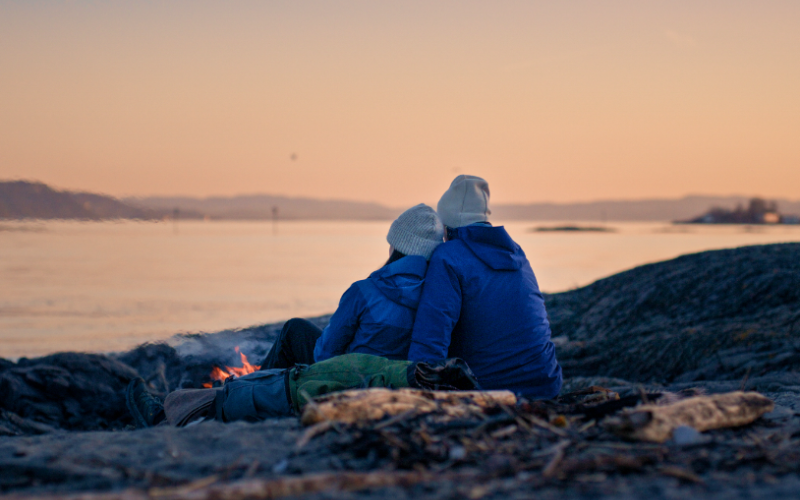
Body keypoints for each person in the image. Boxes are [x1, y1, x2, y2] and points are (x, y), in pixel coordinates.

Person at [407, 175, 562, 400]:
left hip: (489, 391)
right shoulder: (515, 252)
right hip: (546, 384)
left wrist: (415, 386)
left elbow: (430, 339)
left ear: (447, 226)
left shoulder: (448, 256)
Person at [261, 203, 444, 369]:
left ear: (396, 246)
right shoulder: (438, 298)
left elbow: (324, 355)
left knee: (294, 329)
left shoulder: (364, 291)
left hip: (350, 382)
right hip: (396, 385)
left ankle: (252, 390)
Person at [126, 353, 479, 427]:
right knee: (243, 385)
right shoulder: (401, 376)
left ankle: (160, 414)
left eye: (437, 371)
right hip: (295, 382)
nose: (436, 366)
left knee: (228, 394)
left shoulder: (396, 381)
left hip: (291, 390)